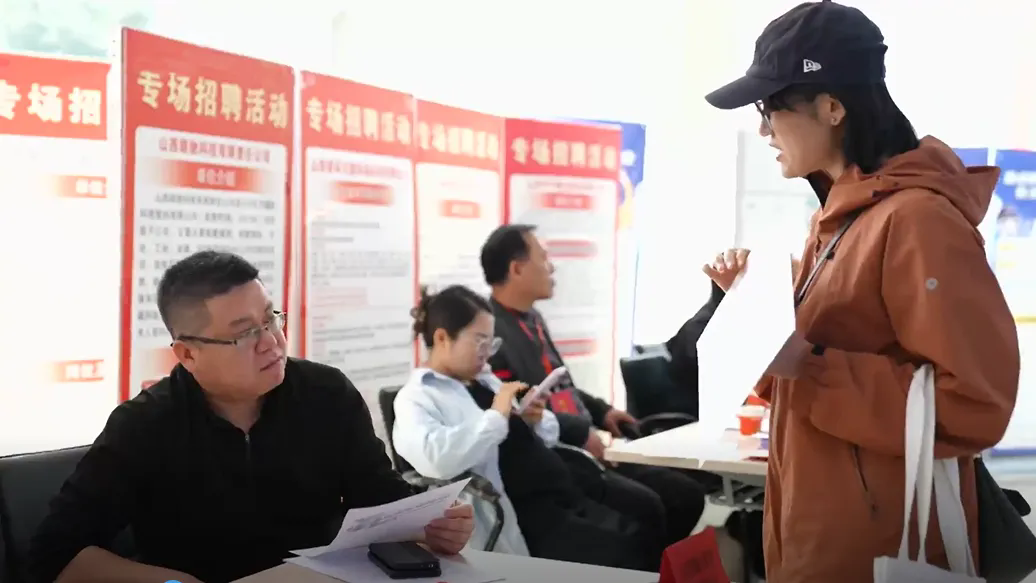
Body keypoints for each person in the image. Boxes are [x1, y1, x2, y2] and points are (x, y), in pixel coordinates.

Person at [703, 2, 1019, 582]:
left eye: (771, 108)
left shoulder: (918, 221)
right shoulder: (837, 221)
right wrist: (754, 317)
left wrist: (809, 364)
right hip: (816, 527)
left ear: (832, 107)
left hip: (879, 549)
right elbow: (800, 378)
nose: (764, 130)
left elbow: (976, 404)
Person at [28, 251, 474, 583]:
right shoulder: (145, 425)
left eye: (270, 318)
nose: (271, 341)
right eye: (244, 334)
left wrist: (433, 524)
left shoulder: (326, 393)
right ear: (188, 354)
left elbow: (380, 498)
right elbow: (56, 552)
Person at [392, 285, 662, 570]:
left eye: (491, 343)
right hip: (523, 511)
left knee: (647, 514)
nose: (487, 354)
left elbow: (532, 435)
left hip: (559, 487)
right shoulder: (417, 398)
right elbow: (437, 459)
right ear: (442, 338)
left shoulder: (483, 379)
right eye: (479, 342)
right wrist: (497, 415)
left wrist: (533, 418)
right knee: (626, 553)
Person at [479, 224, 708, 548]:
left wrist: (602, 412)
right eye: (543, 258)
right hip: (557, 457)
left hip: (585, 445)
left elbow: (559, 384)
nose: (552, 268)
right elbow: (517, 409)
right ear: (516, 269)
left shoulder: (531, 319)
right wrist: (578, 432)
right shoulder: (493, 334)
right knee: (655, 508)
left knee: (685, 494)